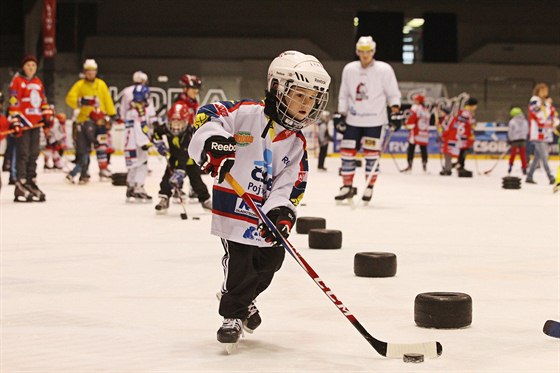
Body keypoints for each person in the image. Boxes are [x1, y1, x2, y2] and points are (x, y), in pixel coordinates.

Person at [188, 50, 330, 347]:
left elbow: (290, 183)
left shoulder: (297, 143)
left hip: (264, 214)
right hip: (235, 208)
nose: (307, 105)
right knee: (240, 262)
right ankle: (233, 314)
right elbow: (206, 115)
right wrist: (215, 142)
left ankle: (246, 297)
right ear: (278, 88)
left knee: (270, 262)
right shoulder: (246, 113)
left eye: (311, 98)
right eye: (300, 95)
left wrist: (282, 212)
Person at [334, 36, 402, 202]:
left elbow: (393, 93)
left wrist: (395, 112)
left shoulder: (384, 69)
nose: (365, 55)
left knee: (371, 155)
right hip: (353, 120)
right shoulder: (349, 69)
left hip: (375, 121)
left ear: (373, 51)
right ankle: (347, 185)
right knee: (347, 154)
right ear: (358, 51)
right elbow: (344, 94)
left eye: (368, 51)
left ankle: (369, 186)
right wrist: (340, 114)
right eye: (362, 51)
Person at [153, 101, 212, 213]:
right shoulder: (165, 128)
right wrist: (159, 143)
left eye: (179, 124)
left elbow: (184, 155)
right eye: (174, 123)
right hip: (174, 158)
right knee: (166, 179)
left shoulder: (189, 134)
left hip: (190, 159)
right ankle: (164, 199)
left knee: (196, 182)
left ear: (186, 122)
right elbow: (156, 133)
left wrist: (180, 172)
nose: (176, 128)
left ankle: (205, 200)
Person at [65, 59, 117, 184]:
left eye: (93, 71)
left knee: (102, 146)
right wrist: (80, 102)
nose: (91, 74)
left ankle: (103, 168)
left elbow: (107, 100)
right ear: (85, 72)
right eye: (88, 72)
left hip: (100, 121)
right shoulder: (80, 85)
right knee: (84, 149)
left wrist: (112, 114)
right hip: (85, 120)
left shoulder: (101, 84)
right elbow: (69, 98)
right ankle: (84, 172)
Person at [8, 55, 51, 202]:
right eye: (28, 65)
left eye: (33, 65)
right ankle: (21, 181)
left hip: (36, 123)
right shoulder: (17, 82)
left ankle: (31, 179)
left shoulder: (38, 82)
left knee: (34, 153)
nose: (31, 68)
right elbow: (14, 103)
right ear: (23, 67)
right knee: (23, 153)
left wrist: (46, 117)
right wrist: (16, 121)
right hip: (24, 123)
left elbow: (43, 101)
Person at [123, 82, 154, 202]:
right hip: (137, 144)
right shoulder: (138, 112)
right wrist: (144, 142)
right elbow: (139, 128)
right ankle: (138, 187)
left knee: (133, 165)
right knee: (142, 164)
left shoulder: (132, 111)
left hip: (130, 144)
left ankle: (130, 186)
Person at [175, 73, 204, 200]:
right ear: (185, 89)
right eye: (194, 89)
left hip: (192, 138)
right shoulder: (180, 105)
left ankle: (193, 188)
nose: (196, 92)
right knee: (180, 164)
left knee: (195, 164)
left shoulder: (193, 103)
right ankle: (176, 189)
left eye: (197, 89)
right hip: (181, 140)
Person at [526, 84, 556, 184]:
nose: (545, 92)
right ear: (538, 91)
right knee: (544, 155)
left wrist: (549, 105)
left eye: (546, 90)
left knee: (537, 157)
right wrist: (544, 104)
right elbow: (535, 112)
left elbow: (551, 114)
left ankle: (529, 176)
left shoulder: (547, 103)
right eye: (543, 90)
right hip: (537, 133)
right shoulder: (535, 100)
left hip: (545, 133)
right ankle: (551, 177)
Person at [440, 97, 477, 176]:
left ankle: (457, 165)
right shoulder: (466, 113)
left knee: (460, 151)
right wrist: (470, 133)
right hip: (461, 135)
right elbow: (465, 125)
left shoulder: (465, 112)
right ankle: (457, 166)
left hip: (460, 135)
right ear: (473, 105)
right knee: (459, 150)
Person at [402, 94, 429, 173]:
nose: (414, 101)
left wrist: (407, 125)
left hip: (415, 132)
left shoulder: (415, 108)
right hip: (423, 133)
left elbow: (412, 118)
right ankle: (424, 167)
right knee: (423, 149)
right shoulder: (425, 109)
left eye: (416, 100)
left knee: (411, 149)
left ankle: (409, 166)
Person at [506, 107, 529, 175]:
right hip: (523, 140)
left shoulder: (512, 121)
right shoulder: (525, 121)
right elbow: (527, 130)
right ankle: (524, 168)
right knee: (523, 155)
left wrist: (510, 139)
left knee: (513, 154)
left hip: (514, 140)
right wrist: (524, 136)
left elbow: (510, 132)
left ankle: (510, 166)